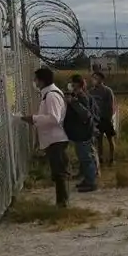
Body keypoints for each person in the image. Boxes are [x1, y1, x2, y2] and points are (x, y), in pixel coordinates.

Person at [19, 68, 70, 207]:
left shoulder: (51, 95)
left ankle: (62, 203)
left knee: (59, 173)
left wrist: (34, 118)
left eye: (36, 79)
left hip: (56, 139)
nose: (34, 82)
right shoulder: (48, 94)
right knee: (58, 172)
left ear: (42, 80)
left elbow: (54, 118)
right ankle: (62, 200)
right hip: (54, 139)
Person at [67, 74, 99, 193]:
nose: (70, 85)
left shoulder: (82, 97)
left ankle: (91, 182)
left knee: (86, 158)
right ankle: (87, 179)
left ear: (77, 84)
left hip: (84, 132)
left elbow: (85, 114)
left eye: (72, 83)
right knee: (83, 157)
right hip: (79, 131)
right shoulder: (77, 96)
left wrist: (73, 103)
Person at [89, 71, 117, 164]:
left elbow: (111, 106)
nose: (93, 80)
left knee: (110, 139)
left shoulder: (107, 91)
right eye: (93, 78)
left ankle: (112, 158)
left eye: (96, 78)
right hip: (96, 119)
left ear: (101, 79)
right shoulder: (91, 91)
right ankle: (100, 157)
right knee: (98, 139)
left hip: (106, 118)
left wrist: (109, 117)